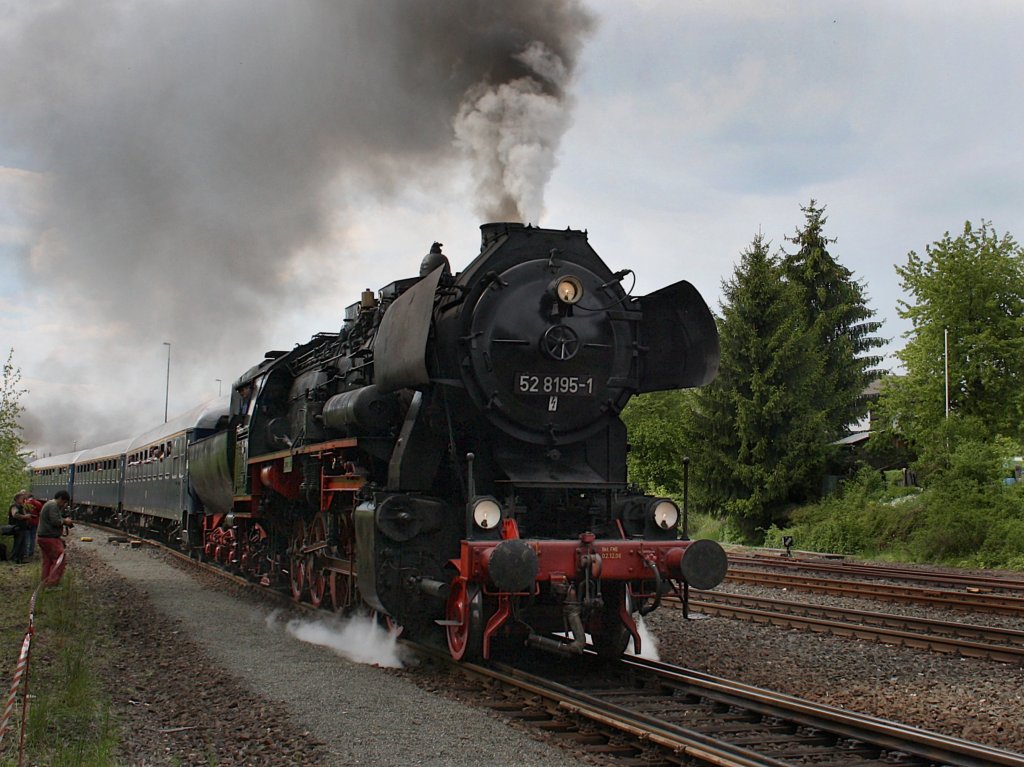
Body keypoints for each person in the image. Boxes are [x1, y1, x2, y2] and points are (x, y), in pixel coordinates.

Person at [37, 490, 74, 588]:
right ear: (61, 498)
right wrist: (65, 521)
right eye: (64, 502)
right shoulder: (53, 505)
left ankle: (45, 582)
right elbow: (55, 521)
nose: (64, 504)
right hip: (49, 538)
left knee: (48, 561)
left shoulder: (49, 504)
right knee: (59, 559)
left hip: (43, 537)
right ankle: (52, 584)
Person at [7, 490, 30, 564]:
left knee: (22, 544)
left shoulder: (21, 506)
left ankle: (20, 558)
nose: (23, 499)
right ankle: (14, 558)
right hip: (17, 527)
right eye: (21, 498)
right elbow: (15, 515)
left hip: (22, 527)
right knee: (17, 543)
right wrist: (25, 516)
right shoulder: (14, 506)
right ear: (17, 499)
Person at [23, 494, 42, 560]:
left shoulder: (26, 503)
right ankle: (31, 552)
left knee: (27, 537)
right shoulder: (38, 503)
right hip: (35, 522)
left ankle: (26, 552)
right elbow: (40, 512)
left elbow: (24, 512)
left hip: (28, 522)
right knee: (33, 537)